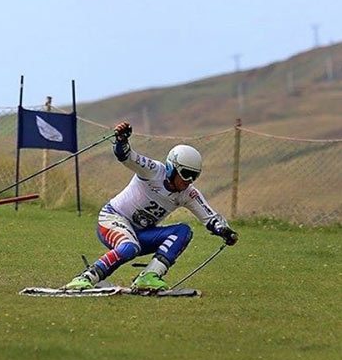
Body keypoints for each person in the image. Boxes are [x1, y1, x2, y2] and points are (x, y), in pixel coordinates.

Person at [65, 122, 239, 291]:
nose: (189, 181)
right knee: (129, 246)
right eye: (186, 174)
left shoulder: (188, 193)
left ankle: (149, 277)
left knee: (183, 231)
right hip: (112, 219)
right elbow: (126, 156)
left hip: (140, 233)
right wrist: (121, 140)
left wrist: (225, 231)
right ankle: (87, 277)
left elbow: (210, 218)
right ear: (172, 168)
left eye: (195, 176)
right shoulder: (153, 170)